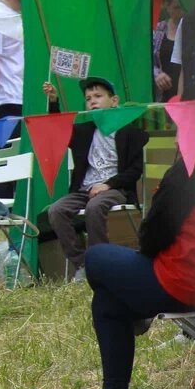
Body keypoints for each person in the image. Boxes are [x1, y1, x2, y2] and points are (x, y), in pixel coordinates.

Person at [82, 157, 195, 389]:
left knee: (96, 258)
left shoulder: (191, 169)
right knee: (109, 300)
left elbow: (152, 236)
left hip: (186, 285)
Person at [43, 77, 148, 280]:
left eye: (98, 96)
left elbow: (135, 171)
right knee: (56, 210)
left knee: (95, 207)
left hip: (115, 189)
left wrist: (107, 185)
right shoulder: (84, 131)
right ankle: (82, 264)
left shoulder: (130, 132)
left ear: (114, 101)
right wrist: (54, 102)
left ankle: (100, 263)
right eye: (88, 98)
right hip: (84, 189)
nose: (92, 101)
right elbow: (59, 130)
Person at [153, 0, 183, 102]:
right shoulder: (158, 30)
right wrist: (157, 74)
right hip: (162, 93)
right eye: (176, 8)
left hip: (185, 91)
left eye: (183, 8)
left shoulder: (193, 30)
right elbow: (146, 60)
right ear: (168, 7)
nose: (181, 12)